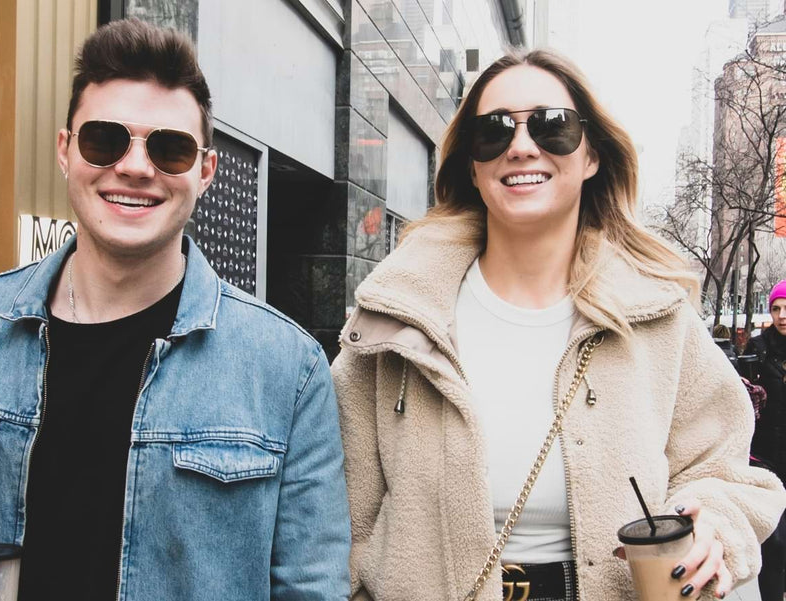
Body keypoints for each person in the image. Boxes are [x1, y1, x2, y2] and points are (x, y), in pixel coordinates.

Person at [0, 19, 350, 601]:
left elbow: (311, 586)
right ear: (65, 151)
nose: (135, 167)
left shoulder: (288, 369)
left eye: (170, 148)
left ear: (205, 172)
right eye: (105, 140)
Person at [332, 48, 786, 601]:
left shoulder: (658, 317)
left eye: (552, 126)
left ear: (591, 154)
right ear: (472, 166)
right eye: (494, 131)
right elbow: (336, 517)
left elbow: (725, 472)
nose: (521, 146)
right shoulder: (393, 320)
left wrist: (713, 522)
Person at [745, 280, 786, 600]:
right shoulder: (757, 348)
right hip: (766, 458)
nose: (782, 315)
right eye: (776, 308)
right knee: (772, 540)